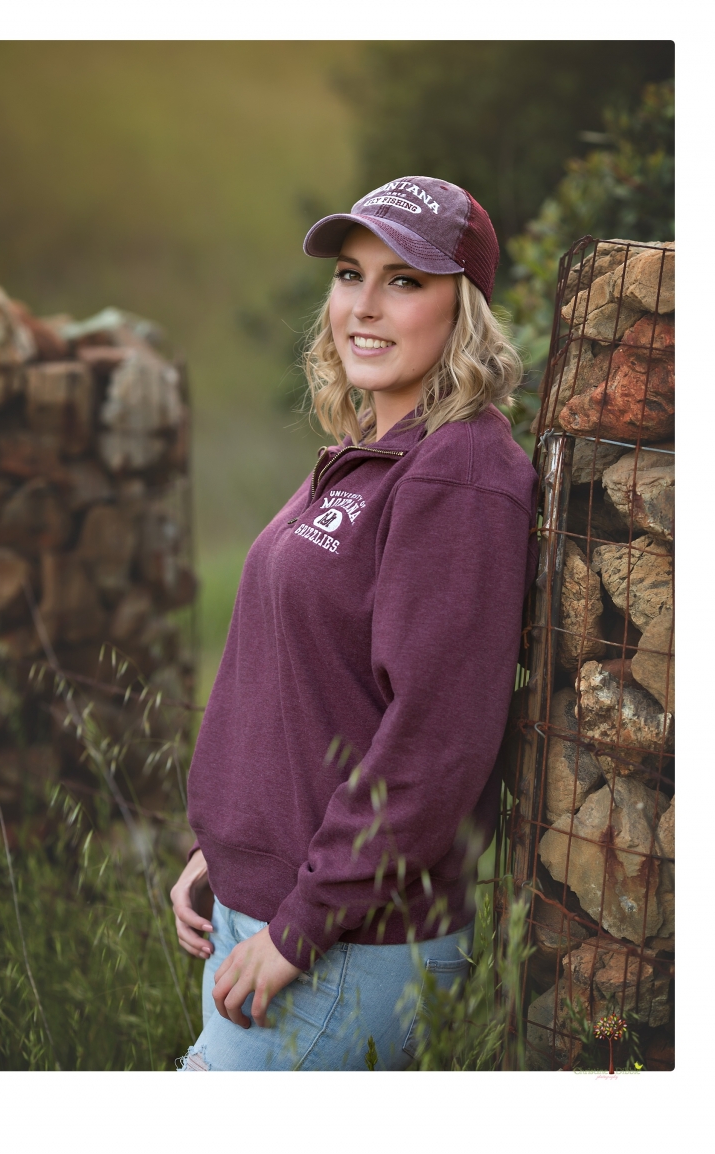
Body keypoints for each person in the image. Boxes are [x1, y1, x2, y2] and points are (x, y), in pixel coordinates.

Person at [172, 175, 539, 1071]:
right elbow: (307, 686)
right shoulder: (371, 453)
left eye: (405, 280)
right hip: (271, 905)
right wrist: (229, 847)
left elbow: (434, 743)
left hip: (348, 946)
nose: (364, 307)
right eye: (349, 274)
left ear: (466, 307)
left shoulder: (458, 476)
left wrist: (300, 928)